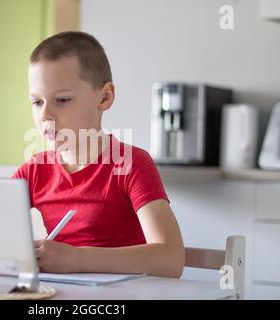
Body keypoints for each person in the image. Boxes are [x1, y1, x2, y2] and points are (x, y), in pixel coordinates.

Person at [13, 31, 184, 278]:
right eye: (37, 102)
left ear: (104, 97)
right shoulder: (33, 171)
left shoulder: (132, 164)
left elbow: (171, 259)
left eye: (61, 100)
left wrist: (76, 259)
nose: (45, 116)